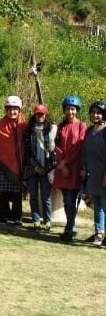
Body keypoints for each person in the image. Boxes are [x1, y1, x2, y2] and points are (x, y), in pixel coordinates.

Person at [0, 96, 26, 225]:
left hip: (18, 165)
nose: (12, 112)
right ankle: (3, 216)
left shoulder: (24, 125)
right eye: (9, 109)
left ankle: (17, 217)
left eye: (15, 109)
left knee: (17, 193)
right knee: (3, 192)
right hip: (2, 165)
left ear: (19, 110)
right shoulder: (1, 125)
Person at [53, 95, 86, 242]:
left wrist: (65, 163)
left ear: (76, 110)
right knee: (66, 201)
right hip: (63, 169)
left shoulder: (82, 126)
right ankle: (70, 227)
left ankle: (70, 229)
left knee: (71, 200)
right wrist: (62, 164)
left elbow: (79, 147)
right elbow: (57, 146)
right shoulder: (61, 126)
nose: (70, 112)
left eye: (72, 109)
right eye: (67, 109)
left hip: (74, 168)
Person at [24, 104, 57, 230]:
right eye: (38, 114)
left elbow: (54, 151)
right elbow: (27, 152)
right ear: (34, 115)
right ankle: (36, 219)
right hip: (32, 168)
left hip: (47, 168)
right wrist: (36, 167)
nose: (40, 116)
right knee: (33, 196)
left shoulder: (52, 129)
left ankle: (48, 220)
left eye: (42, 114)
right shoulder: (29, 131)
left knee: (46, 196)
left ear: (45, 115)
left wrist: (47, 168)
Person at [81, 101, 106, 246]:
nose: (95, 115)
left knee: (103, 205)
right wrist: (83, 168)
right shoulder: (89, 131)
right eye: (93, 112)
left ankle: (101, 233)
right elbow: (84, 151)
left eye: (99, 113)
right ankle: (99, 232)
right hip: (93, 174)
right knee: (97, 205)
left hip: (104, 175)